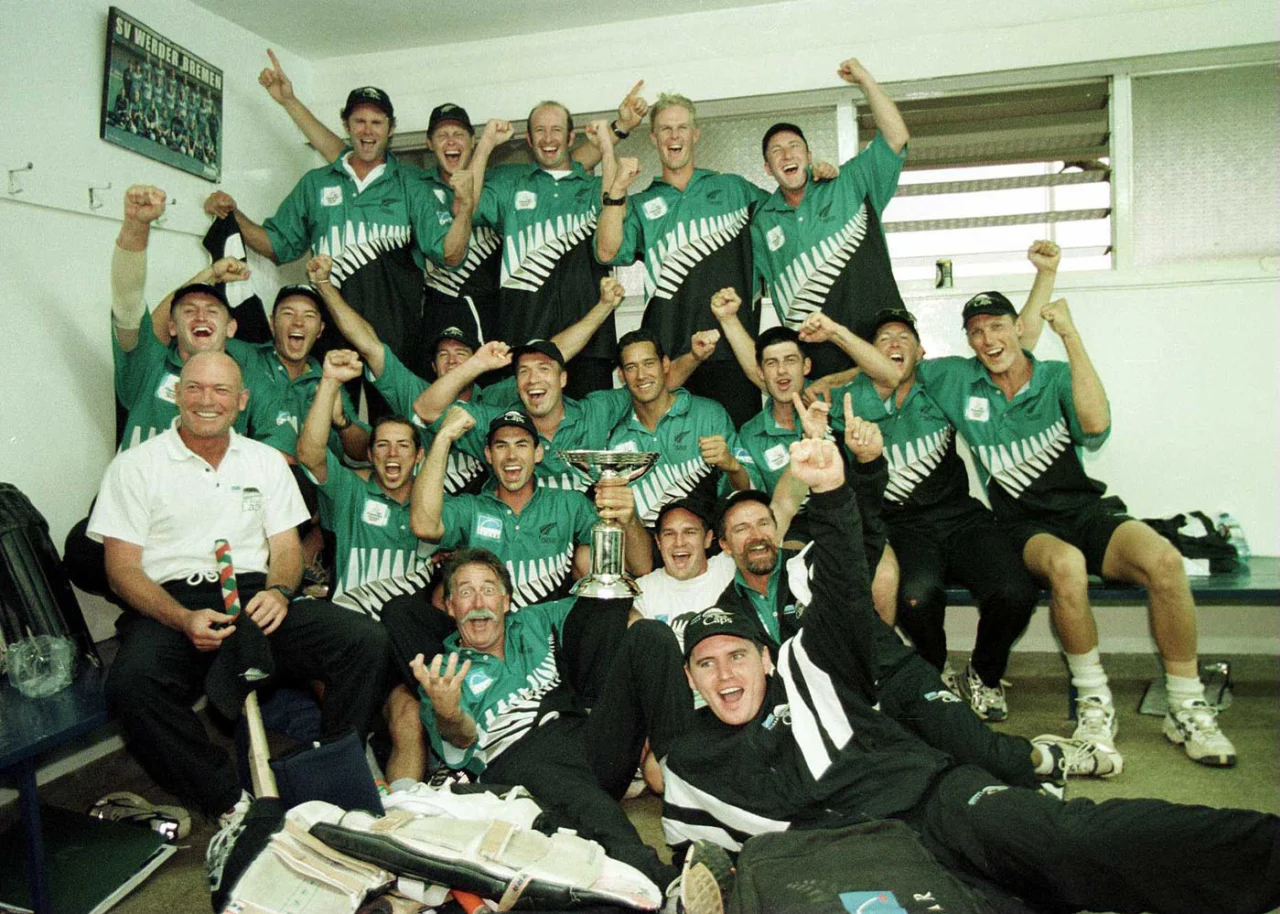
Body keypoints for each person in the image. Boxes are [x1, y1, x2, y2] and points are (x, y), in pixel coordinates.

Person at [591, 438, 1280, 914]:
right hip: (854, 862)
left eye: (737, 655)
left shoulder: (811, 663)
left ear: (766, 657)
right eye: (707, 666)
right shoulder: (692, 768)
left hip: (937, 806)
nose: (725, 673)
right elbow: (692, 854)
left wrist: (834, 491)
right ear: (691, 681)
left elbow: (842, 583)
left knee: (1075, 843)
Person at [914, 291, 1238, 768]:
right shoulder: (957, 380)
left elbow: (1096, 424)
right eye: (977, 332)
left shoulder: (1054, 376)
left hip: (1085, 512)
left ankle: (1187, 705)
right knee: (1067, 566)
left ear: (1018, 329)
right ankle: (1094, 703)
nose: (988, 339)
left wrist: (1070, 334)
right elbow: (890, 369)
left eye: (997, 326)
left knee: (1165, 562)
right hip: (1022, 526)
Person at [86, 352, 391, 835]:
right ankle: (229, 801)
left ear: (241, 400)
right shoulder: (134, 466)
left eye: (221, 390)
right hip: (171, 602)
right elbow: (122, 570)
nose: (208, 400)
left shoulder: (267, 461)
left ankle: (333, 770)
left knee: (364, 641)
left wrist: (280, 590)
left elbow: (285, 549)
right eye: (195, 388)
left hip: (253, 591)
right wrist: (180, 620)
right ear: (177, 394)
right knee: (131, 686)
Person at [827, 242, 1061, 724]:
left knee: (1015, 591)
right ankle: (932, 675)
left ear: (922, 350)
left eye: (903, 338)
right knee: (915, 596)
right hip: (903, 528)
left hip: (960, 516)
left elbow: (1019, 346)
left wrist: (1045, 277)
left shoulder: (943, 378)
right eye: (883, 339)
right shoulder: (848, 397)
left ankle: (985, 674)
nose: (894, 345)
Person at [407, 548, 677, 890]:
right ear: (450, 607)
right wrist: (449, 711)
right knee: (584, 803)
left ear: (505, 602)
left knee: (651, 636)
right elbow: (461, 737)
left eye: (489, 589)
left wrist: (636, 632)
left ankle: (687, 788)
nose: (478, 601)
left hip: (586, 739)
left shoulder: (532, 621)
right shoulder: (442, 676)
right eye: (464, 591)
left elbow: (604, 604)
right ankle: (661, 882)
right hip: (521, 761)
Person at [204, 83, 474, 388]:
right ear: (346, 125)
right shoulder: (315, 184)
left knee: (397, 427)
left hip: (397, 334)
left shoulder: (411, 184)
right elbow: (276, 244)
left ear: (391, 129)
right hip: (328, 328)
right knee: (331, 417)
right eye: (359, 121)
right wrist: (234, 214)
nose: (368, 130)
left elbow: (449, 254)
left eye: (377, 122)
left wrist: (464, 208)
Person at [594, 93, 817, 427]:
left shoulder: (734, 188)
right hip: (669, 359)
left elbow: (790, 208)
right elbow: (607, 251)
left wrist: (816, 175)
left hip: (733, 353)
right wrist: (617, 189)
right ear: (654, 138)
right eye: (665, 129)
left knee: (737, 462)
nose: (674, 136)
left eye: (682, 127)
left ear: (694, 134)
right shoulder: (643, 203)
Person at [750, 57, 911, 380]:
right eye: (776, 151)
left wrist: (865, 80)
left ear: (809, 157)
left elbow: (896, 138)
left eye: (794, 146)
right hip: (816, 360)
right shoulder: (760, 221)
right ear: (768, 169)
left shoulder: (849, 182)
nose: (787, 154)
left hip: (875, 348)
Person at [467, 99, 639, 397]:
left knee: (588, 434)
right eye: (540, 131)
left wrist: (608, 147)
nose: (549, 138)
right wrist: (486, 144)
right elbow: (466, 201)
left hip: (590, 343)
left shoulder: (589, 187)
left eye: (557, 130)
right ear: (530, 140)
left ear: (571, 138)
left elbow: (614, 201)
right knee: (524, 437)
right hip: (523, 338)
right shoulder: (511, 183)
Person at [410, 407, 651, 607]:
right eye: (501, 446)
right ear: (488, 455)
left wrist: (628, 520)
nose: (511, 455)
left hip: (550, 632)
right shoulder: (472, 508)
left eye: (521, 445)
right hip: (485, 627)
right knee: (404, 610)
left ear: (538, 453)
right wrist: (443, 437)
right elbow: (424, 525)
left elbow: (639, 566)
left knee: (588, 559)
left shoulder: (568, 503)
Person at [607, 328, 750, 527]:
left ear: (665, 364)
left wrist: (732, 466)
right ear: (621, 375)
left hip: (707, 538)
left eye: (648, 363)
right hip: (641, 545)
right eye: (631, 367)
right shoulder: (613, 432)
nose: (641, 375)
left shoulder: (709, 414)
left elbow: (748, 493)